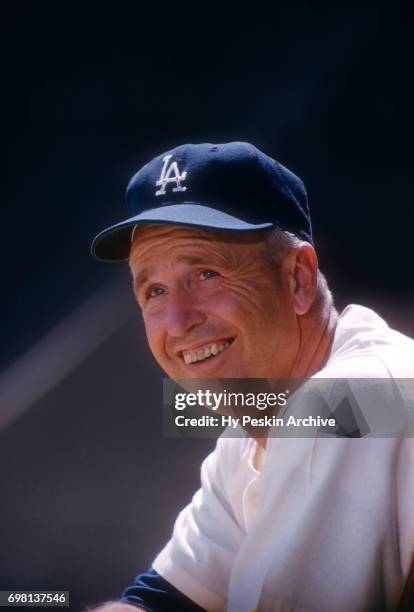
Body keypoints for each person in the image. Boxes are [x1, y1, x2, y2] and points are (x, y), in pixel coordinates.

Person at [88, 142, 414, 611]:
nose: (178, 322)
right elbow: (162, 602)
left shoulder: (357, 400)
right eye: (155, 290)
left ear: (299, 279)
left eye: (206, 273)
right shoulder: (254, 431)